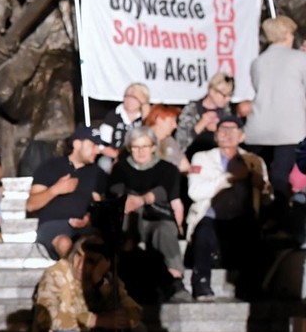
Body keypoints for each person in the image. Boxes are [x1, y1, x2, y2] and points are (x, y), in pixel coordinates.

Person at [185, 116, 268, 300]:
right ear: (215, 136)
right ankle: (201, 285)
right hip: (211, 217)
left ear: (242, 136)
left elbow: (267, 199)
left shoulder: (254, 161)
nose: (228, 133)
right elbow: (195, 191)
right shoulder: (202, 158)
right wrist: (228, 178)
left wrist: (263, 188)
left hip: (241, 219)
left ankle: (250, 289)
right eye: (223, 129)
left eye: (233, 130)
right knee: (204, 232)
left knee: (255, 236)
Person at [109, 126, 190, 302]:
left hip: (158, 218)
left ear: (153, 147)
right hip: (130, 220)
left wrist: (179, 225)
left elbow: (175, 200)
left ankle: (175, 280)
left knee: (165, 230)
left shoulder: (168, 169)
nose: (140, 151)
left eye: (145, 146)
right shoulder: (120, 169)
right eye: (136, 147)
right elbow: (117, 192)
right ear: (130, 148)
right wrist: (136, 200)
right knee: (126, 216)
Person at [242, 16, 306, 208]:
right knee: (280, 179)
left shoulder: (257, 62)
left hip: (258, 130)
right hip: (289, 130)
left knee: (262, 179)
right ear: (287, 35)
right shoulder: (300, 59)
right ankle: (280, 221)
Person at [26, 126, 108, 259]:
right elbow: (31, 205)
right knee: (65, 244)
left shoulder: (97, 173)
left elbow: (99, 206)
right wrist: (56, 189)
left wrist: (88, 219)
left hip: (84, 228)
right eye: (93, 144)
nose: (97, 150)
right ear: (77, 144)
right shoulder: (50, 166)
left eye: (98, 146)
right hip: (54, 226)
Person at [174, 72, 237, 160]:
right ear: (211, 91)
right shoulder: (192, 109)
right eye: (224, 95)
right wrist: (201, 125)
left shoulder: (227, 112)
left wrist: (218, 131)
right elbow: (179, 145)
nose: (228, 99)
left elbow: (233, 144)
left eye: (230, 95)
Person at [96, 82, 150, 171]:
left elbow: (152, 140)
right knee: (104, 163)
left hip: (139, 156)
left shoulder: (145, 118)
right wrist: (118, 156)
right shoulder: (114, 115)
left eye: (134, 98)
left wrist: (146, 117)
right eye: (127, 96)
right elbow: (101, 144)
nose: (129, 100)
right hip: (115, 156)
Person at [142, 104, 191, 174]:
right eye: (171, 121)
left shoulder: (170, 141)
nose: (175, 126)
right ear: (159, 120)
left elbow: (185, 166)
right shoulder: (141, 140)